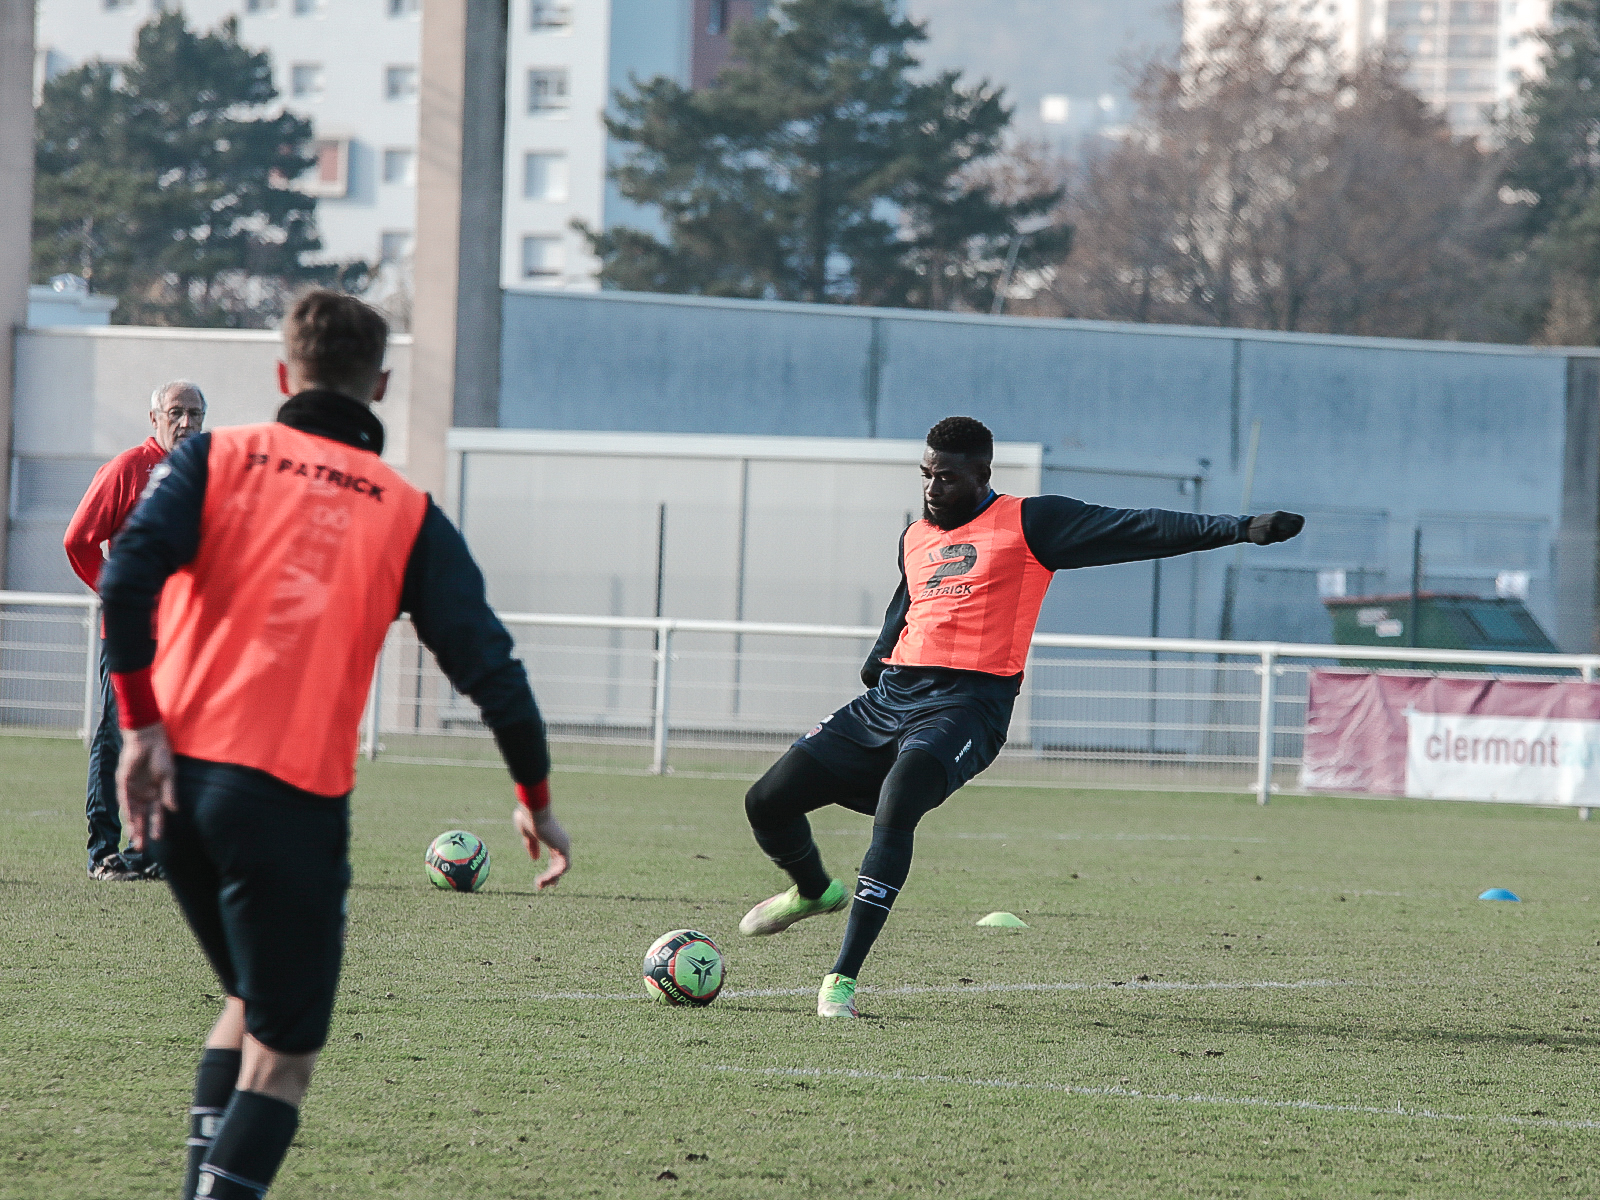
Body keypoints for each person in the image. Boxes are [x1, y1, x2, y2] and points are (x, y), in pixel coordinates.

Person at [100, 289, 571, 1200]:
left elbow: (124, 579)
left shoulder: (215, 457)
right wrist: (536, 799)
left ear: (284, 375)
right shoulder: (404, 511)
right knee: (286, 1059)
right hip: (284, 806)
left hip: (177, 794)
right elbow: (493, 670)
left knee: (249, 1002)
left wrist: (141, 728)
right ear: (383, 383)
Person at [738, 416, 1304, 1018]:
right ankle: (814, 890)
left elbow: (1139, 528)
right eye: (926, 475)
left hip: (967, 706)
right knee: (766, 800)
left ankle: (840, 982)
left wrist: (1241, 528)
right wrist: (879, 657)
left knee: (897, 803)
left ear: (983, 474)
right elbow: (906, 600)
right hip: (892, 698)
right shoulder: (913, 535)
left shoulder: (1030, 523)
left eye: (947, 477)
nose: (932, 488)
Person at [64, 380, 207, 881]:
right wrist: (117, 594)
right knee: (115, 738)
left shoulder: (208, 476)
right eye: (176, 412)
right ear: (155, 419)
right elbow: (79, 539)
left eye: (194, 413)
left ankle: (152, 852)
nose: (186, 423)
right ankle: (104, 852)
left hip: (185, 638)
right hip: (132, 636)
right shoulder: (127, 470)